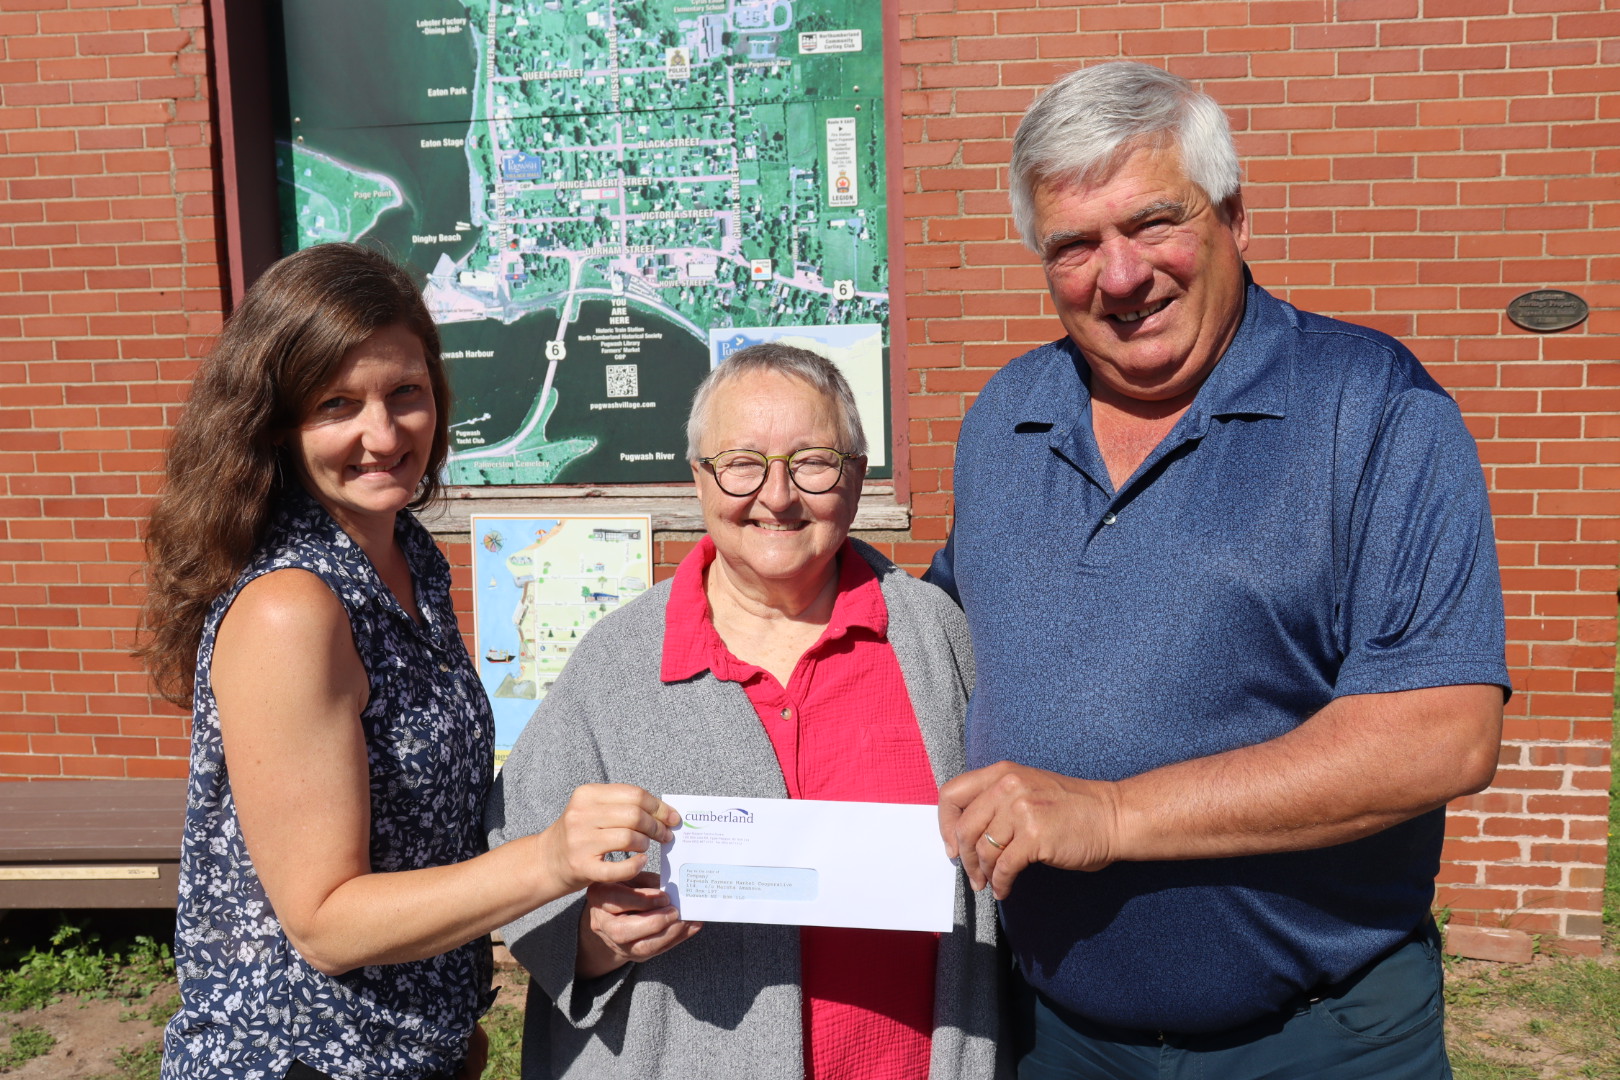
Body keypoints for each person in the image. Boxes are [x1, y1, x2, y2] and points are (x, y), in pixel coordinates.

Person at [927, 62, 1509, 1078]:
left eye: (1153, 223)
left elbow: (1442, 734)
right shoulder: (1004, 420)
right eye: (1074, 245)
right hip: (1058, 1037)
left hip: (1317, 1041)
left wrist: (1110, 817)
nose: (1118, 276)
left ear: (1234, 218)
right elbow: (934, 637)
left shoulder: (1371, 412)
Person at [137, 242, 680, 1080]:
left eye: (405, 394)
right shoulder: (293, 608)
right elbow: (324, 922)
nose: (382, 434)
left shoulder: (411, 560)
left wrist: (448, 1029)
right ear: (276, 422)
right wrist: (547, 860)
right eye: (336, 404)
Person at [488, 343, 1003, 1080]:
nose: (777, 496)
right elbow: (519, 851)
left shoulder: (934, 637)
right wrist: (595, 940)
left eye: (813, 461)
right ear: (699, 479)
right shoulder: (620, 660)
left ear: (856, 478)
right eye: (741, 463)